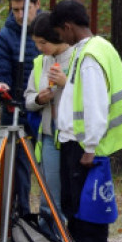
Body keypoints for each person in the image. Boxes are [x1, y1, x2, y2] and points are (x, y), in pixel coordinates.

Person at [39, 0, 122, 242]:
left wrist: (91, 146)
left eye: (60, 32)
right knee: (73, 204)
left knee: (89, 205)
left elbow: (95, 104)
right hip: (76, 140)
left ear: (68, 27)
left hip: (84, 144)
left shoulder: (90, 56)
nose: (61, 38)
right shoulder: (95, 49)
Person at [0, 0, 41, 218]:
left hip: (45, 112)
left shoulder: (49, 29)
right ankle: (19, 221)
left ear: (37, 5)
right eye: (15, 10)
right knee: (18, 176)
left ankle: (51, 222)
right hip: (15, 114)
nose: (20, 15)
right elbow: (0, 73)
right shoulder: (5, 37)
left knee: (48, 172)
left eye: (24, 9)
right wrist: (0, 85)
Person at [24, 13, 76, 215]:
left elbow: (88, 94)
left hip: (73, 136)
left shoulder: (78, 56)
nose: (39, 48)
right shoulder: (41, 62)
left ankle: (70, 240)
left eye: (43, 42)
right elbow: (28, 99)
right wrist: (39, 99)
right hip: (48, 137)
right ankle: (49, 240)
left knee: (71, 195)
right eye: (36, 43)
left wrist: (65, 84)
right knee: (49, 197)